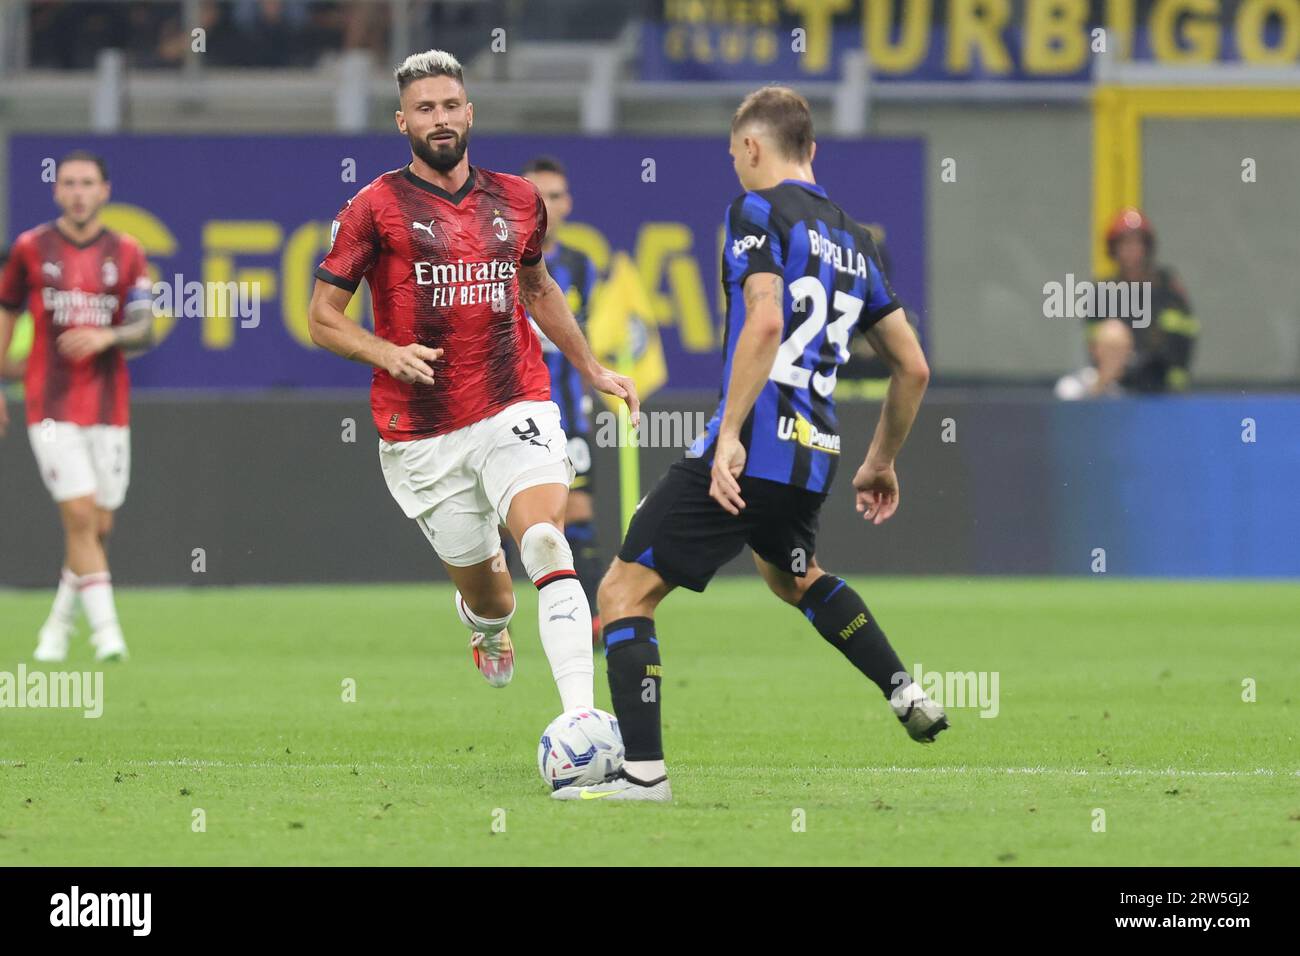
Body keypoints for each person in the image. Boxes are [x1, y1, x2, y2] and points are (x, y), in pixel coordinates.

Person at [554, 86, 947, 803]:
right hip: (814, 452)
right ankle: (902, 687)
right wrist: (880, 460)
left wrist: (728, 436)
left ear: (755, 148)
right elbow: (913, 366)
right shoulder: (856, 241)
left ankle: (643, 777)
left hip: (753, 446)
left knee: (620, 592)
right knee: (794, 577)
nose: (734, 163)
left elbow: (764, 321)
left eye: (735, 150)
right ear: (813, 152)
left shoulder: (755, 212)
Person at [307, 50, 638, 712]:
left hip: (513, 399)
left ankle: (582, 718)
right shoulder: (373, 208)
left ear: (470, 112)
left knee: (547, 539)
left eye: (451, 105)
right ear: (403, 121)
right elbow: (321, 318)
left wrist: (590, 365)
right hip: (423, 431)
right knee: (494, 596)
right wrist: (384, 352)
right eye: (425, 109)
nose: (441, 119)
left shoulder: (518, 199)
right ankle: (485, 625)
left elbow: (538, 287)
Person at [0, 150, 155, 662]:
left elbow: (144, 326)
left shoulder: (129, 251)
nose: (78, 192)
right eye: (68, 183)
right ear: (55, 190)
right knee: (82, 514)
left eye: (87, 183)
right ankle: (108, 634)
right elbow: (6, 310)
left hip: (110, 408)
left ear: (104, 191)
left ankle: (58, 625)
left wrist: (104, 336)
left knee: (96, 527)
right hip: (48, 404)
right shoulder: (29, 248)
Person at [520, 155, 604, 644]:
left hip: (568, 414)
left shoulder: (578, 266)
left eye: (554, 196)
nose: (546, 206)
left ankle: (590, 620)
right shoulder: (498, 261)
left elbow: (583, 341)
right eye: (537, 196)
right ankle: (497, 618)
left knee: (579, 518)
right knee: (523, 526)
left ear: (567, 203)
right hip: (513, 413)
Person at [1058, 207, 1197, 398]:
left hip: (1159, 390)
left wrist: (1145, 364)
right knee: (1067, 391)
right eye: (1125, 244)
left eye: (1137, 243)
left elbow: (1178, 347)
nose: (1131, 251)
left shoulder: (1168, 291)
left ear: (1147, 248)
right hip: (1114, 388)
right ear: (1114, 249)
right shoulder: (1102, 294)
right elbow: (1094, 347)